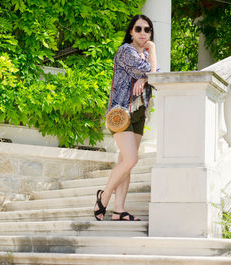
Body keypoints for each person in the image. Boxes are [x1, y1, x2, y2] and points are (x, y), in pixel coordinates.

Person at [94, 14, 157, 221]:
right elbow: (152, 71)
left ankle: (119, 210)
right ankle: (104, 197)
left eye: (147, 30)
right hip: (121, 112)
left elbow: (156, 76)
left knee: (126, 162)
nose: (143, 33)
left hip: (138, 112)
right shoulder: (126, 51)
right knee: (131, 159)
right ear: (131, 31)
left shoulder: (144, 56)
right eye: (138, 29)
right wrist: (152, 52)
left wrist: (144, 78)